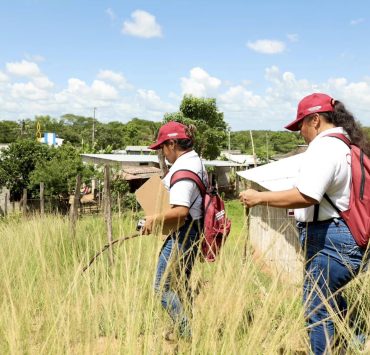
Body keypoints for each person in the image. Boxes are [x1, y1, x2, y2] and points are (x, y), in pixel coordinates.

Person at [239, 93, 370, 354]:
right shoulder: (346, 146)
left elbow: (306, 195)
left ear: (316, 120)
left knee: (317, 309)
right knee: (332, 301)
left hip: (330, 240)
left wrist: (259, 197)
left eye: (301, 125)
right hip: (349, 237)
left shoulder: (324, 147)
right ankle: (351, 345)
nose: (299, 132)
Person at [142, 121, 207, 341]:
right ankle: (190, 329)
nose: (162, 153)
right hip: (191, 231)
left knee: (162, 288)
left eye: (162, 147)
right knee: (180, 285)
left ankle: (187, 335)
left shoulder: (184, 170)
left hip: (184, 232)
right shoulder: (194, 161)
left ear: (171, 143)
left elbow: (181, 211)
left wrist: (153, 219)